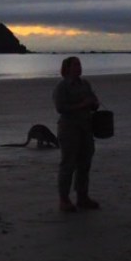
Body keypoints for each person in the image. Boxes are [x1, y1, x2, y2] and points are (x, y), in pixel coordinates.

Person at [52, 56, 100, 212]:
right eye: (75, 65)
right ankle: (64, 200)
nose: (79, 68)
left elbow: (93, 103)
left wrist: (94, 103)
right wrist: (82, 105)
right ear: (67, 68)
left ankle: (82, 197)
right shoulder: (62, 86)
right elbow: (60, 108)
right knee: (68, 164)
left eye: (80, 65)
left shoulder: (85, 83)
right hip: (69, 129)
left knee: (85, 163)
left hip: (86, 127)